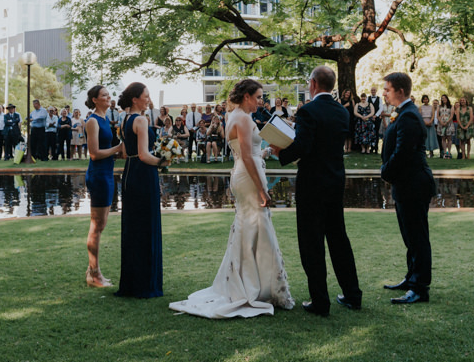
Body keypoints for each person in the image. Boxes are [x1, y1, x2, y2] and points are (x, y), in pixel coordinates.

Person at [171, 79, 294, 318]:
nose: (261, 101)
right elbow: (247, 157)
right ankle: (254, 287)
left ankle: (250, 283)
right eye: (258, 97)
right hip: (249, 176)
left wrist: (268, 151)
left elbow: (249, 151)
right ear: (246, 96)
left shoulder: (233, 116)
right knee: (258, 227)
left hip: (242, 174)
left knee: (249, 228)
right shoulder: (245, 119)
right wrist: (262, 189)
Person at [272, 66, 363, 317]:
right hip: (335, 182)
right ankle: (353, 295)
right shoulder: (341, 112)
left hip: (312, 184)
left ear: (312, 83)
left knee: (311, 242)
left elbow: (302, 146)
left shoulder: (308, 111)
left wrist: (281, 153)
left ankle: (320, 301)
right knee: (339, 240)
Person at [379, 72, 437, 304]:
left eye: (387, 89)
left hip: (414, 184)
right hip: (406, 184)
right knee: (410, 237)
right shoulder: (403, 113)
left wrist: (385, 171)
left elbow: (403, 152)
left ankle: (419, 288)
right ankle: (411, 276)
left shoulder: (410, 116)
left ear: (400, 91)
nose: (384, 92)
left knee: (417, 237)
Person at [115, 82, 165, 299]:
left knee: (133, 227)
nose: (148, 99)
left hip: (129, 174)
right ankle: (146, 284)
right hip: (144, 174)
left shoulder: (125, 119)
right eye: (146, 95)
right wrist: (163, 161)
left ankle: (131, 283)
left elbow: (127, 153)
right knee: (146, 226)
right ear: (135, 99)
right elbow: (145, 155)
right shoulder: (142, 120)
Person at [82, 86, 124, 287]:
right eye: (104, 95)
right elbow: (94, 153)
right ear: (95, 100)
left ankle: (93, 271)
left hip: (107, 173)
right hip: (98, 175)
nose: (109, 97)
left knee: (101, 225)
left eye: (109, 95)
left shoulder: (106, 119)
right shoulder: (92, 121)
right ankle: (94, 274)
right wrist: (118, 148)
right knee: (97, 226)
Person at [368, 86, 382, 154]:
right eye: (372, 90)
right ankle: (371, 148)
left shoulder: (379, 99)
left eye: (374, 90)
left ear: (376, 91)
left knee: (376, 133)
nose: (373, 91)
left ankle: (376, 148)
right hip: (370, 118)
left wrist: (375, 115)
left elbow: (381, 108)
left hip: (377, 118)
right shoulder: (368, 98)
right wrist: (371, 115)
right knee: (370, 132)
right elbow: (367, 107)